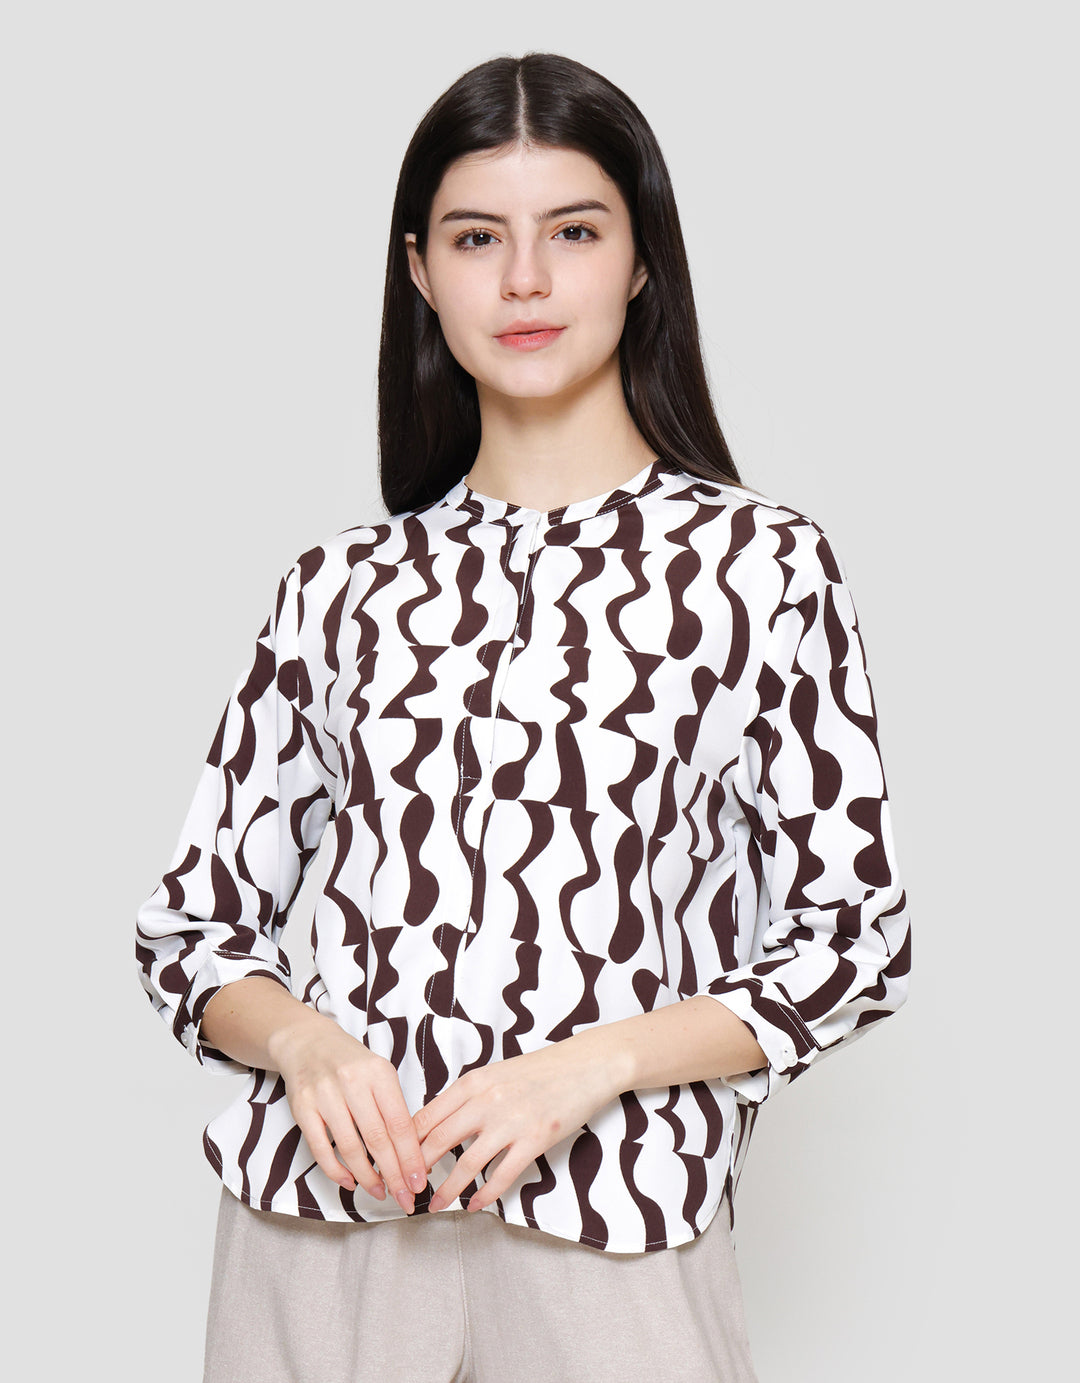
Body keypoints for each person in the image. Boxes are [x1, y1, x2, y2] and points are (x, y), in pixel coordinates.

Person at [136, 51, 911, 1383]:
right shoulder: (339, 586)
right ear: (422, 272)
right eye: (477, 238)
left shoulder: (763, 569)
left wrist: (588, 1068)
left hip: (615, 1228)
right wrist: (307, 1047)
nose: (527, 281)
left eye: (576, 232)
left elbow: (855, 940)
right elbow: (190, 929)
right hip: (320, 1233)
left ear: (643, 259)